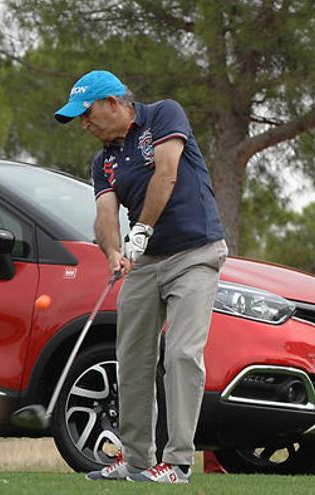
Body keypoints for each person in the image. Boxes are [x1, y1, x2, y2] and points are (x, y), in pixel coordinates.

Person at [54, 70, 228, 483]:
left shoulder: (163, 115)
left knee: (182, 354)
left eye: (87, 113)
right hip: (144, 264)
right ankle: (136, 460)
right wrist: (114, 251)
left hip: (195, 253)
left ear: (113, 103)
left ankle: (179, 462)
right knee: (131, 360)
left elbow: (166, 172)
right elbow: (104, 215)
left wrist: (143, 229)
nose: (84, 123)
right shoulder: (103, 161)